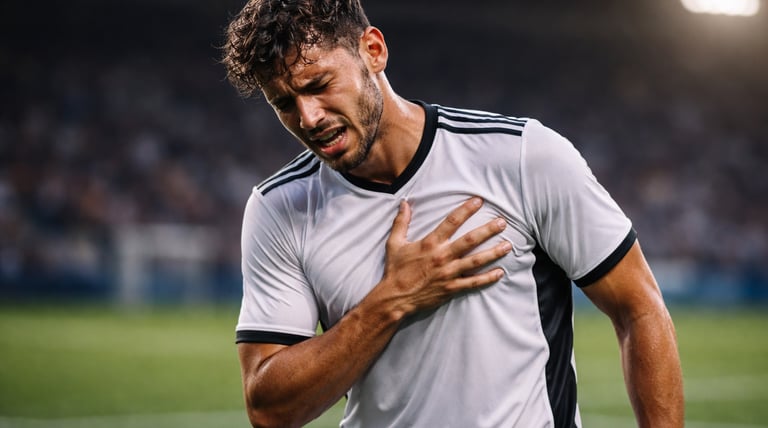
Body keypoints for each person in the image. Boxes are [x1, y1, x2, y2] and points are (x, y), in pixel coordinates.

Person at [221, 1, 684, 427]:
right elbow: (269, 409)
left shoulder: (522, 156)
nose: (308, 118)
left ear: (373, 51)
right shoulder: (278, 208)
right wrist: (392, 300)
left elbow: (638, 307)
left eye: (319, 85)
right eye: (284, 104)